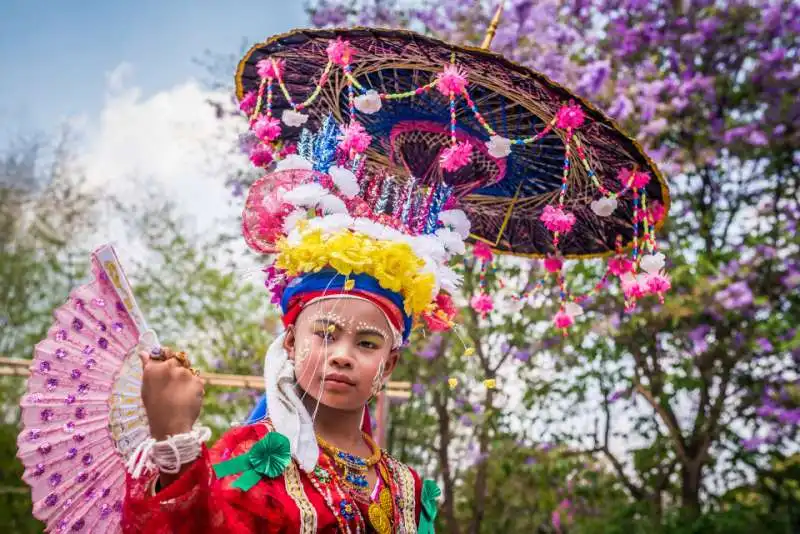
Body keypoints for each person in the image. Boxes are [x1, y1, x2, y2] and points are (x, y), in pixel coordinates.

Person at [120, 115, 463, 533]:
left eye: (368, 344)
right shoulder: (247, 460)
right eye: (324, 334)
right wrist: (172, 435)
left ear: (388, 365)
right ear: (288, 344)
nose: (342, 356)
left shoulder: (405, 486)